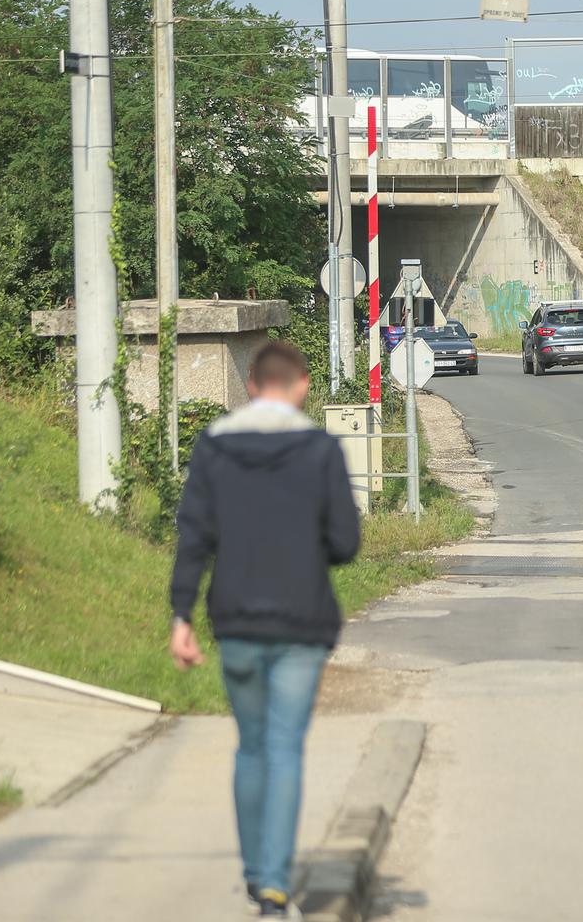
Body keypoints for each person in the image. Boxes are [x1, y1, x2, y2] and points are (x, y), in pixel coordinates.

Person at [169, 340, 360, 918]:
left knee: (250, 746)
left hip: (235, 621)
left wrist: (182, 616)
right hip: (302, 621)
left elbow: (193, 536)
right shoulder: (321, 449)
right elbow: (346, 544)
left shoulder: (213, 446)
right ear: (301, 384)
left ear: (251, 383)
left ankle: (256, 875)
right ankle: (276, 886)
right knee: (284, 747)